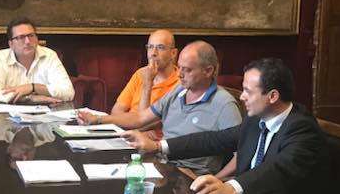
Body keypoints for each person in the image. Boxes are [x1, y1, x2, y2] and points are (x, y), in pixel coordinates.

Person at [124, 58, 332, 194]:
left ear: (272, 96)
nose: (242, 97)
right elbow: (215, 139)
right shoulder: (257, 119)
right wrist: (159, 146)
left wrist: (232, 188)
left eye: (248, 91)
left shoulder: (302, 129)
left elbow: (278, 169)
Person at [78, 41, 241, 175]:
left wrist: (217, 181)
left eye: (187, 70)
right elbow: (141, 118)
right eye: (179, 67)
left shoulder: (225, 104)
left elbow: (242, 154)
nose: (180, 74)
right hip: (162, 165)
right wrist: (98, 119)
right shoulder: (179, 90)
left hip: (191, 175)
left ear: (208, 71)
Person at [0, 17, 75, 104]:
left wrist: (33, 87)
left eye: (31, 35)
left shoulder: (49, 55)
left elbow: (68, 92)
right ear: (11, 44)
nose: (27, 41)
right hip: (8, 113)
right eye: (21, 37)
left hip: (45, 113)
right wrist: (29, 99)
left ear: (37, 38)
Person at [111, 30, 179, 122]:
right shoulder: (140, 74)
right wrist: (132, 120)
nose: (153, 53)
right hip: (126, 129)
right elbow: (115, 112)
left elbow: (144, 123)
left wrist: (147, 84)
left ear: (173, 53)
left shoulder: (181, 82)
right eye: (150, 47)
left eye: (160, 47)